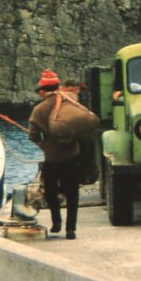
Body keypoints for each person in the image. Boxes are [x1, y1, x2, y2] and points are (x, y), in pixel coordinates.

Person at [27, 69, 98, 240]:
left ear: (43, 89)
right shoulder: (70, 102)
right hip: (72, 155)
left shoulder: (39, 110)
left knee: (51, 191)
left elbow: (33, 135)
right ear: (58, 85)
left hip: (52, 158)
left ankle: (56, 221)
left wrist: (44, 145)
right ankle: (71, 229)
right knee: (72, 193)